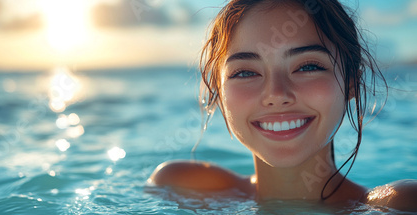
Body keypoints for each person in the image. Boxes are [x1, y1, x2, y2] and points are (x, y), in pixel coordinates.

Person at [149, 0, 417, 211]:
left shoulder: (399, 204)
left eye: (308, 66)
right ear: (218, 92)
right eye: (245, 72)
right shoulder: (180, 187)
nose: (276, 94)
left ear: (350, 84)